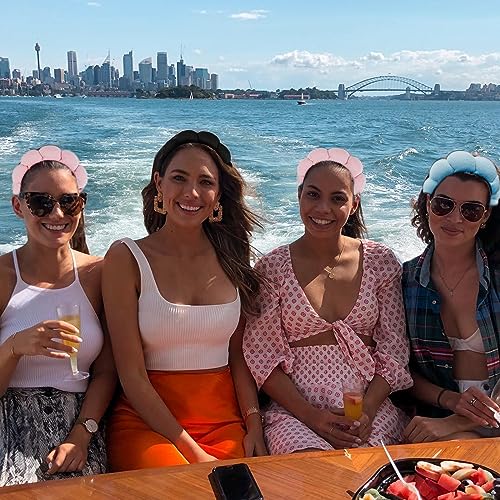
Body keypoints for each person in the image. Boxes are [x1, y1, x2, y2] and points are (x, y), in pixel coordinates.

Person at [103, 130, 266, 471]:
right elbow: (131, 376)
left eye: (205, 182)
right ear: (159, 184)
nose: (192, 192)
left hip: (224, 421)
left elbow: (237, 357)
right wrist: (193, 453)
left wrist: (254, 425)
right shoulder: (126, 258)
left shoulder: (233, 258)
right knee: (185, 488)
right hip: (149, 425)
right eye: (179, 178)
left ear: (218, 195)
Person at [243, 147, 413, 454]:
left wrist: (367, 410)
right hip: (297, 412)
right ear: (299, 196)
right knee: (311, 469)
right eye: (313, 195)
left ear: (354, 204)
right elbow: (263, 358)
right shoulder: (272, 268)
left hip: (369, 409)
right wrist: (312, 417)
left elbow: (394, 349)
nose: (323, 208)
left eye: (337, 199)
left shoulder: (381, 261)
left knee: (374, 469)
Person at [0, 145, 116, 486]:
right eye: (41, 202)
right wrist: (14, 347)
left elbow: (108, 371)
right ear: (18, 206)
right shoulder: (3, 277)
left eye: (69, 201)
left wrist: (82, 434)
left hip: (80, 421)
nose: (57, 213)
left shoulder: (100, 274)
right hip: (9, 419)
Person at [402, 150, 500, 443]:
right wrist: (449, 403)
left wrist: (461, 421)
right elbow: (399, 369)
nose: (455, 218)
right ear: (427, 204)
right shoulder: (404, 281)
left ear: (485, 216)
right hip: (441, 420)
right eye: (444, 204)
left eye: (471, 210)